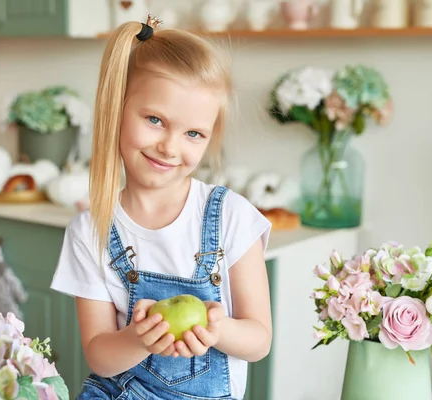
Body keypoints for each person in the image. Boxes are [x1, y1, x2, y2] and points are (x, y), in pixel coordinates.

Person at [50, 14, 272, 400]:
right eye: (155, 119)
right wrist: (139, 339)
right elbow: (100, 356)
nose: (170, 147)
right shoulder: (90, 231)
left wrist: (219, 331)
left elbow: (259, 340)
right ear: (116, 109)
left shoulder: (231, 217)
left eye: (193, 133)